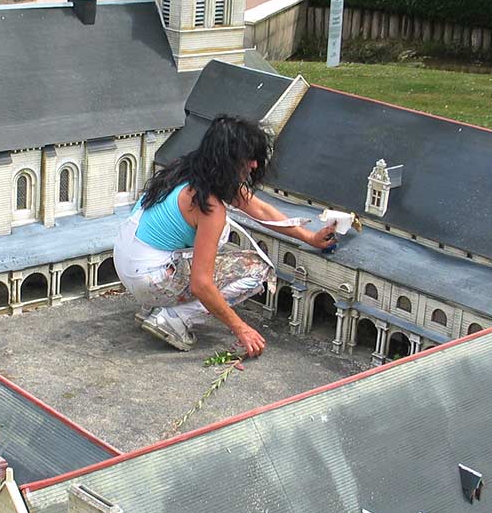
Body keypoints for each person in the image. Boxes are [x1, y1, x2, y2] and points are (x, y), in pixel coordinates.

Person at [114, 116, 337, 357]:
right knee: (257, 268)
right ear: (230, 159)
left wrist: (309, 237)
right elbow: (202, 284)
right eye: (249, 159)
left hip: (128, 262)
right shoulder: (209, 206)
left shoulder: (188, 169)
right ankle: (173, 319)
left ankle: (153, 307)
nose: (253, 165)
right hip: (149, 279)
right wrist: (241, 328)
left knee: (202, 248)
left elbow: (260, 210)